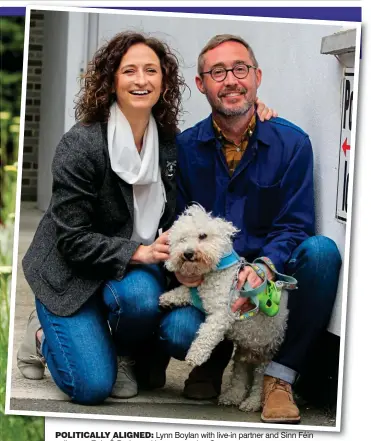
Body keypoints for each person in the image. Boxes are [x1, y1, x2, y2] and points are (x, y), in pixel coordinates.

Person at [17, 31, 274, 405]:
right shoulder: (82, 144)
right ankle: (42, 334)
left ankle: (123, 353)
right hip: (72, 274)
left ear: (164, 81)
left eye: (151, 70)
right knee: (89, 387)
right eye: (130, 71)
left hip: (130, 277)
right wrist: (137, 252)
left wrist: (258, 114)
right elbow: (69, 239)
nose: (141, 80)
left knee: (148, 303)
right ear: (111, 80)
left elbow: (223, 132)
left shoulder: (170, 143)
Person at [167, 34, 342, 424]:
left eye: (239, 69)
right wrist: (188, 267)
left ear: (257, 77)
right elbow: (177, 222)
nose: (230, 80)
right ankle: (212, 362)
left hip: (271, 275)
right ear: (201, 84)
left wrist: (264, 265)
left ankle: (278, 378)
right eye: (217, 72)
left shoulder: (292, 143)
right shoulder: (185, 147)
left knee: (322, 253)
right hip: (213, 277)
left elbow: (296, 224)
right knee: (178, 330)